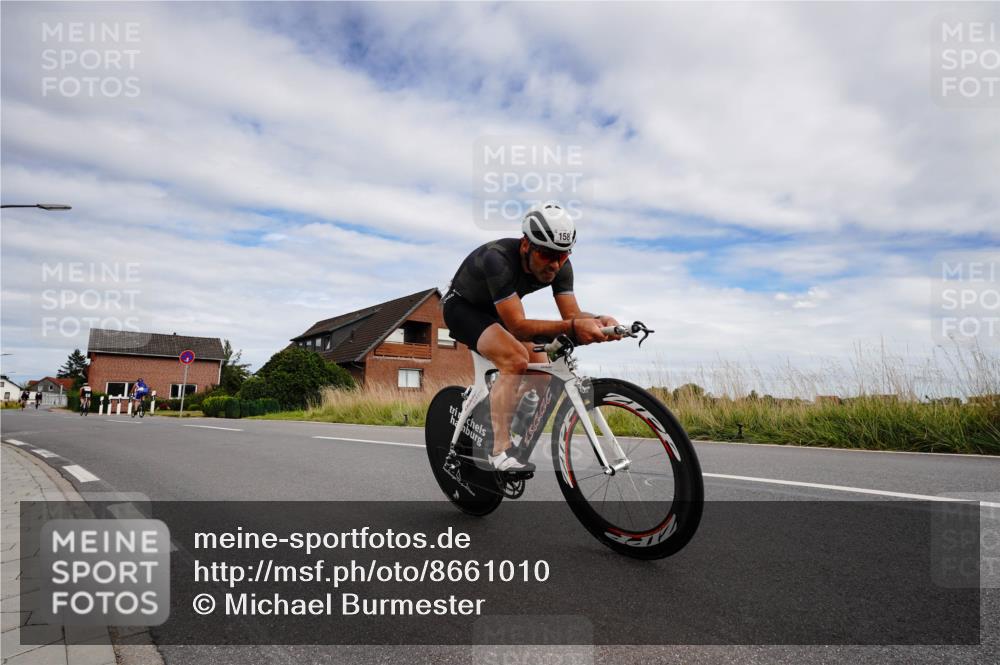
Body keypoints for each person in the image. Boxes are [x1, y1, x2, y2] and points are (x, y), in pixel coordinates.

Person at [443, 202, 620, 473]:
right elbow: (518, 327)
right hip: (463, 309)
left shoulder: (560, 265)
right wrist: (575, 327)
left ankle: (509, 421)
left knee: (543, 371)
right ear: (527, 245)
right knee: (515, 359)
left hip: (498, 312)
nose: (555, 265)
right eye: (548, 255)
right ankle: (498, 449)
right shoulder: (497, 259)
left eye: (563, 255)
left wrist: (597, 320)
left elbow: (571, 314)